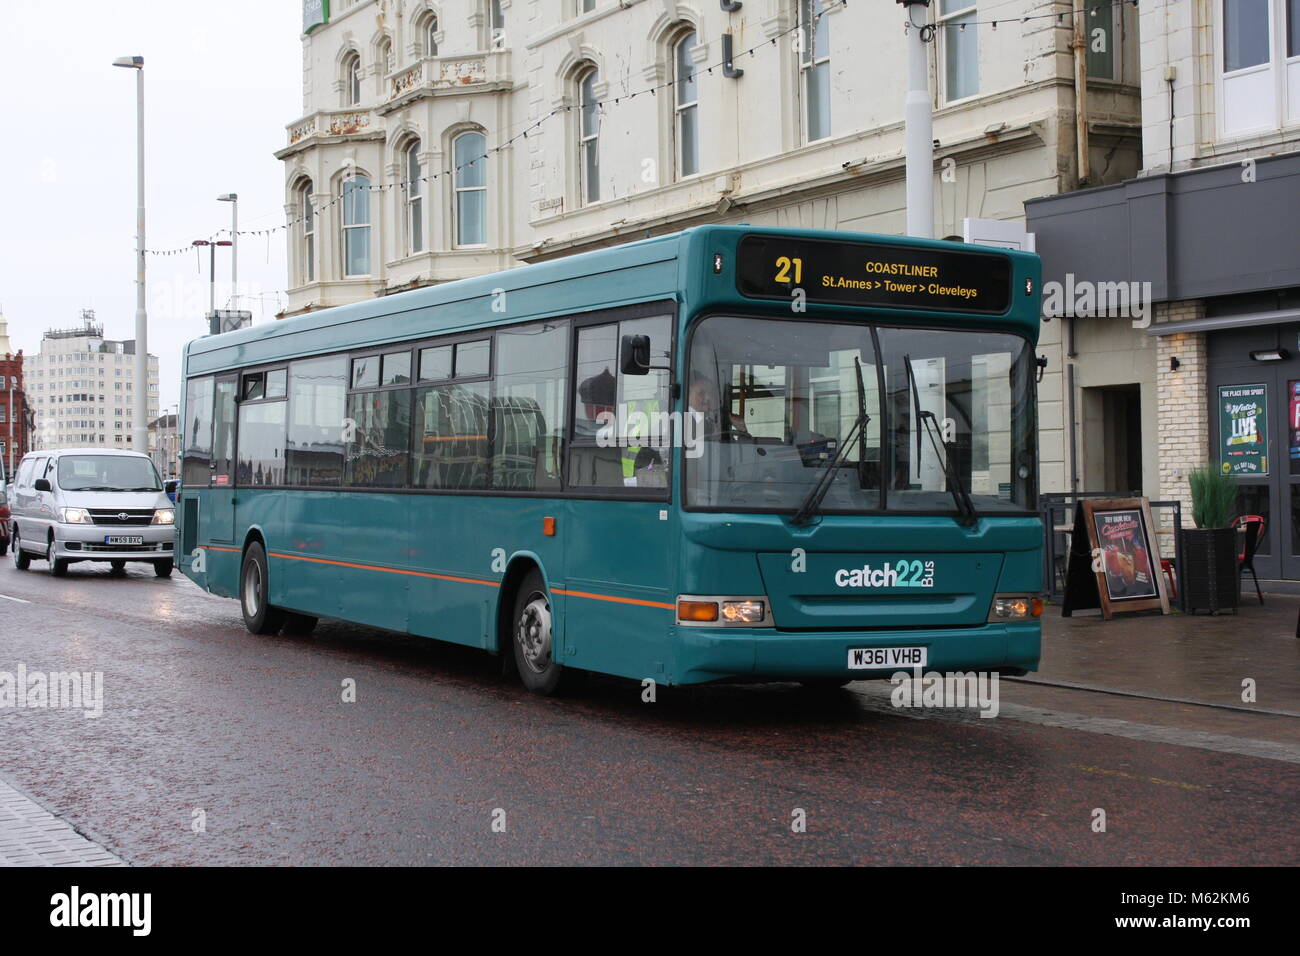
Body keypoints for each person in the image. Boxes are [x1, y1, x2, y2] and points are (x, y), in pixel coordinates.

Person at [688, 372, 748, 438]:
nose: (708, 397)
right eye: (701, 393)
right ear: (688, 395)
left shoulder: (716, 420)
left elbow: (736, 447)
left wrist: (742, 430)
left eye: (710, 393)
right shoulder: (684, 421)